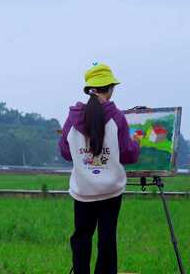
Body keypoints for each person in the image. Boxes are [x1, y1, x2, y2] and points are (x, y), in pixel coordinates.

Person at [59, 63, 140, 274]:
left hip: (83, 191)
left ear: (89, 89)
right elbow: (128, 154)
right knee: (107, 239)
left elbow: (66, 152)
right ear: (110, 88)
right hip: (110, 192)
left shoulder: (73, 118)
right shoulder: (117, 118)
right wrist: (137, 144)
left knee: (82, 237)